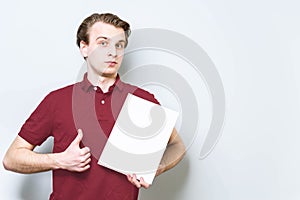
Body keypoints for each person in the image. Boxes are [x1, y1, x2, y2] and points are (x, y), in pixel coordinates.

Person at [2, 13, 186, 200]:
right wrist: (59, 160)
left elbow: (177, 145)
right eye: (103, 43)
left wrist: (157, 167)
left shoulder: (142, 100)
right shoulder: (57, 100)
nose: (113, 52)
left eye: (119, 45)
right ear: (84, 48)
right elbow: (11, 158)